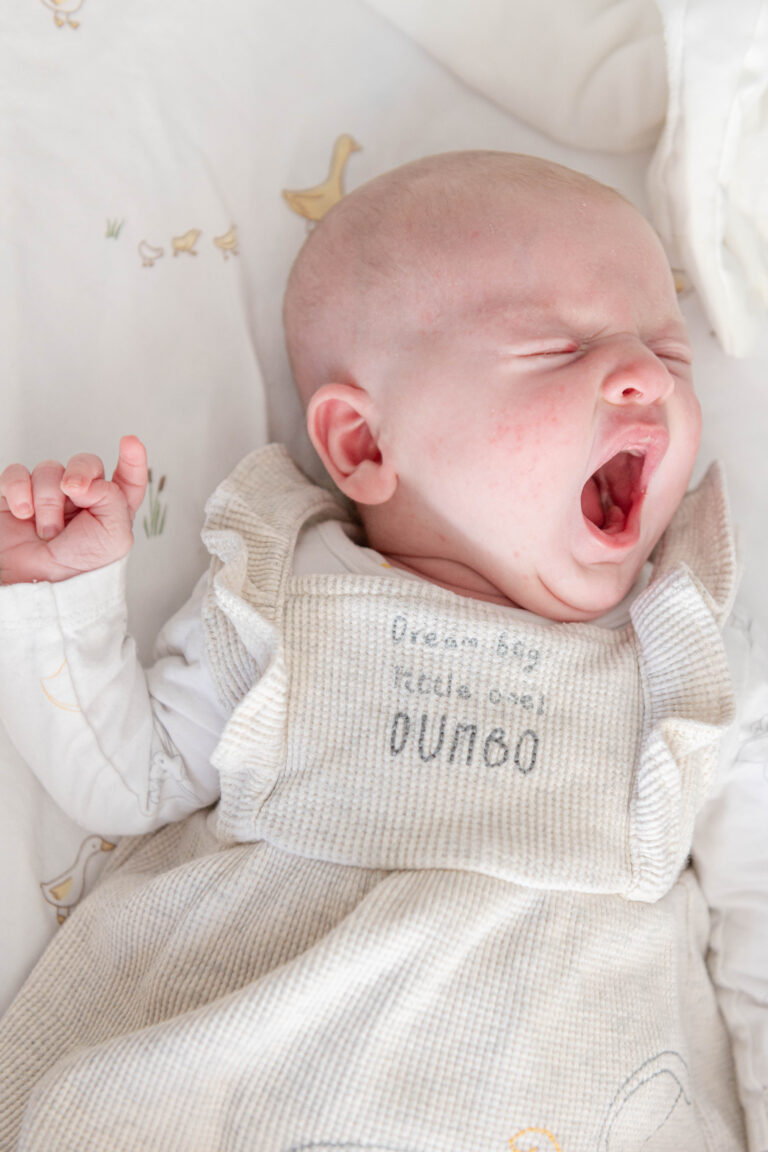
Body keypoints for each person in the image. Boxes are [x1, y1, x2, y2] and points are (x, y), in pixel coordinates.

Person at [0, 152, 765, 1151]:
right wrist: (62, 601)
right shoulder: (289, 601)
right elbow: (126, 783)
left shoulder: (688, 650)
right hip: (244, 1082)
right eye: (556, 348)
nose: (640, 377)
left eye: (668, 354)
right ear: (361, 445)